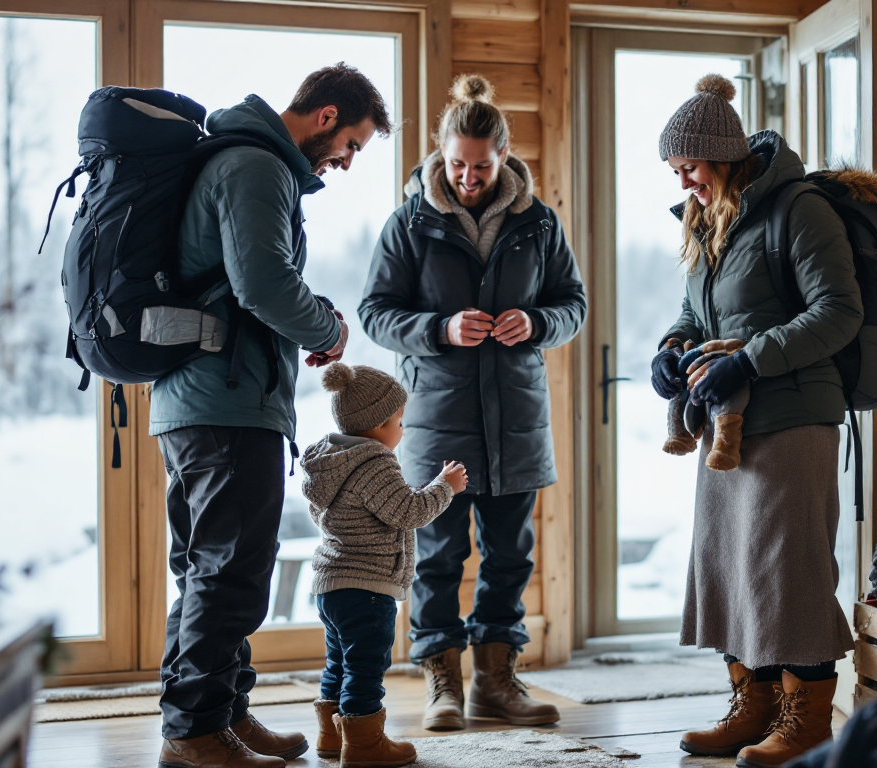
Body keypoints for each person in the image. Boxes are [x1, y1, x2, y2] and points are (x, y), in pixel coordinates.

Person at [151, 64, 392, 768]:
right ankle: (195, 731)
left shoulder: (242, 157)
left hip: (198, 398)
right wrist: (327, 329)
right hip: (227, 401)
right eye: (351, 144)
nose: (346, 161)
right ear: (326, 117)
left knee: (206, 570)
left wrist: (308, 318)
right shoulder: (257, 165)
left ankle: (221, 712)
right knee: (230, 572)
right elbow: (261, 282)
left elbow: (244, 281)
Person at [359, 73, 586, 731]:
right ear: (441, 154)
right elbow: (374, 312)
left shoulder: (539, 224)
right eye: (457, 164)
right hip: (438, 422)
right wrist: (439, 328)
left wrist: (537, 322)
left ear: (503, 156)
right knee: (437, 559)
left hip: (517, 421)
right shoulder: (409, 224)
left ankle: (496, 683)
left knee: (510, 559)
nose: (467, 176)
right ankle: (443, 686)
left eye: (480, 166)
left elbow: (572, 305)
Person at [650, 74, 863, 768]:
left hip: (794, 416)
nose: (683, 182)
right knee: (735, 568)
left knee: (789, 571)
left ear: (723, 155)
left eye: (689, 166)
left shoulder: (798, 210)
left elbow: (838, 312)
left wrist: (749, 360)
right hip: (728, 420)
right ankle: (755, 705)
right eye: (675, 171)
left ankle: (809, 720)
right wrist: (671, 349)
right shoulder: (705, 217)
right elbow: (698, 313)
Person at [300, 363, 469, 768]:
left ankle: (331, 736)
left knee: (339, 662)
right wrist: (445, 487)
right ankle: (364, 745)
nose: (402, 430)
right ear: (378, 425)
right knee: (366, 666)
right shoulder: (374, 462)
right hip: (368, 588)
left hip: (331, 584)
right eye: (399, 421)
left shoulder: (329, 460)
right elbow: (408, 511)